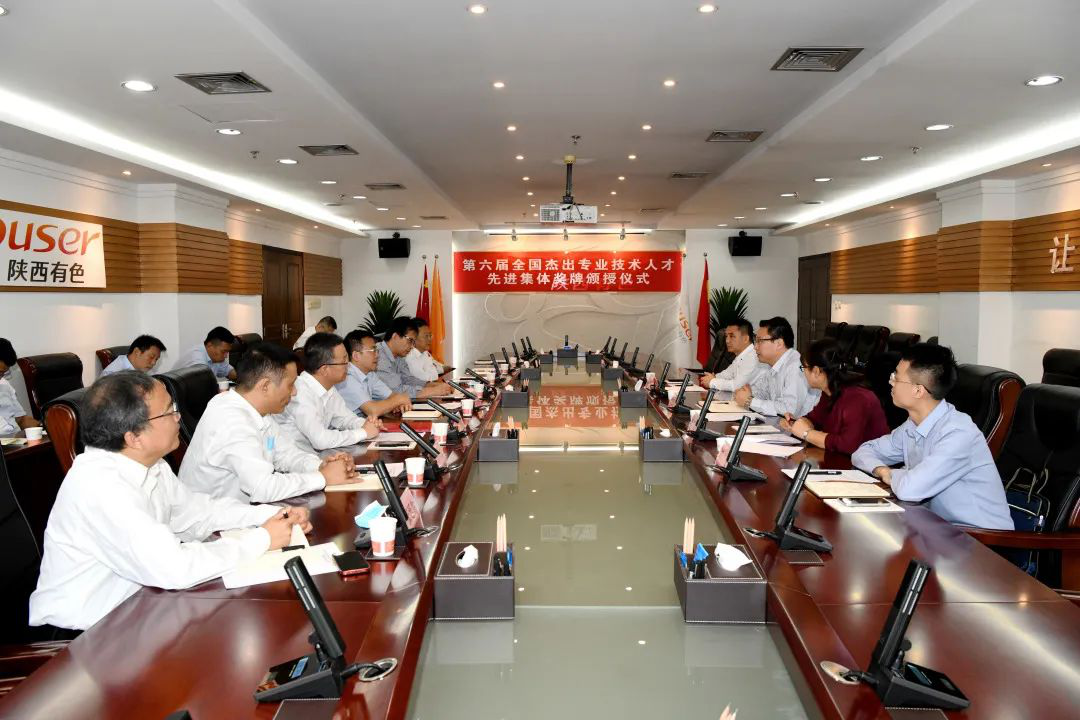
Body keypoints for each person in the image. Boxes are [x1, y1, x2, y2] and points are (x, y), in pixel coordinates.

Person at [28, 371, 309, 633]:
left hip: (141, 608)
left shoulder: (149, 463)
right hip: (84, 637)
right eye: (168, 411)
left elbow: (199, 512)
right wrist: (262, 539)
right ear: (134, 437)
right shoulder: (100, 487)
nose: (178, 417)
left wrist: (271, 516)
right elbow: (175, 567)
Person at [852, 343, 1013, 530]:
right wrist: (883, 471)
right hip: (938, 528)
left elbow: (909, 489)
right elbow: (863, 452)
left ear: (918, 390)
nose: (891, 382)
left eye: (896, 377)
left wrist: (894, 474)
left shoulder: (958, 434)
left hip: (979, 538)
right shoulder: (913, 425)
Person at [179, 342, 354, 503]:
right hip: (214, 522)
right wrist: (323, 477)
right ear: (265, 386)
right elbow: (262, 488)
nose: (294, 393)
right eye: (291, 385)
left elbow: (286, 455)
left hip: (243, 512)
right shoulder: (231, 419)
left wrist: (321, 465)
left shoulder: (259, 411)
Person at [779, 338, 889, 454]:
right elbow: (815, 420)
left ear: (816, 371)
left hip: (871, 461)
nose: (803, 373)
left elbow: (848, 445)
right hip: (841, 459)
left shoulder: (857, 398)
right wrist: (796, 423)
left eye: (804, 368)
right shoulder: (830, 391)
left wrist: (806, 433)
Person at [275, 333, 381, 452]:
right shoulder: (300, 392)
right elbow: (320, 439)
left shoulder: (329, 387)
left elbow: (344, 418)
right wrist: (363, 433)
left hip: (315, 456)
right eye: (344, 361)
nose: (349, 366)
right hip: (295, 458)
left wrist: (366, 423)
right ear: (325, 369)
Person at [734, 317, 819, 416]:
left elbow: (789, 410)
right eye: (755, 341)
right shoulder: (772, 365)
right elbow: (762, 392)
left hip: (800, 424)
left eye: (760, 341)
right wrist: (746, 393)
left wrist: (750, 401)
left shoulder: (796, 366)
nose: (755, 347)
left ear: (779, 343)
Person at [337, 330, 412, 417]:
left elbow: (391, 395)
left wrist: (398, 402)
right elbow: (372, 410)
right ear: (356, 356)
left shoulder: (369, 374)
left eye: (377, 350)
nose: (377, 355)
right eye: (372, 350)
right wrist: (399, 400)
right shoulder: (347, 377)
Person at [375, 317, 451, 399]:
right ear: (395, 336)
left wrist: (432, 385)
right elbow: (395, 391)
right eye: (410, 340)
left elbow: (408, 379)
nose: (412, 346)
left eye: (413, 342)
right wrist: (433, 391)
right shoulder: (378, 355)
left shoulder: (399, 356)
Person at [700, 319, 764, 393]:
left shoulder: (753, 357)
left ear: (745, 339)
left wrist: (712, 382)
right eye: (726, 336)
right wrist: (713, 378)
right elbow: (726, 375)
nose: (727, 340)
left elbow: (737, 386)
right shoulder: (740, 356)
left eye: (732, 336)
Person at [0, 338, 40, 435]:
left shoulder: (4, 385)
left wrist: (45, 427)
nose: (1, 377)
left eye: (4, 373)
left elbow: (21, 420)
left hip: (16, 440)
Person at [172, 326, 236, 380]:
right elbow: (202, 382)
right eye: (223, 351)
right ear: (210, 345)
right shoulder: (197, 357)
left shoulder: (216, 359)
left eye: (227, 352)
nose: (226, 356)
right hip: (174, 390)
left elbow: (230, 372)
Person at [101, 334, 167, 376]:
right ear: (137, 352)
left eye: (156, 359)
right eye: (151, 357)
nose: (154, 363)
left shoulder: (142, 368)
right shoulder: (113, 375)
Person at [405, 317, 447, 382]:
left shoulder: (425, 352)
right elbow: (425, 379)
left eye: (430, 335)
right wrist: (434, 369)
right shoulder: (410, 357)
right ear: (414, 338)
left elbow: (440, 368)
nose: (429, 339)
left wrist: (434, 369)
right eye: (426, 336)